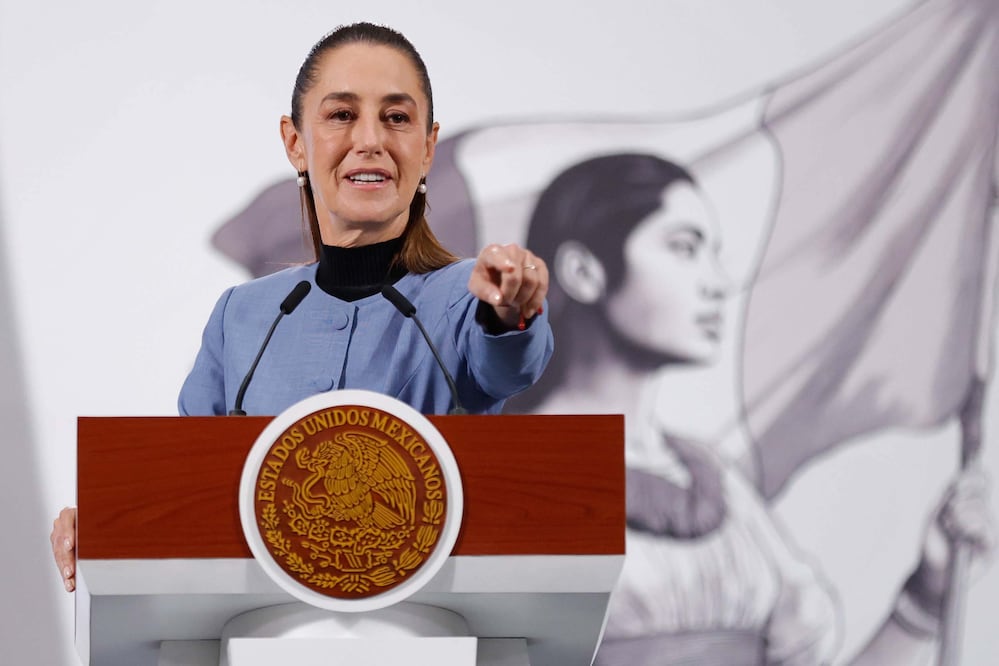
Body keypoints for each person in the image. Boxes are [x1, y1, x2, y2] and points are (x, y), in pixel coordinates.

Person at [51, 22, 553, 593]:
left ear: (428, 146)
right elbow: (189, 488)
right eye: (341, 115)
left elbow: (507, 362)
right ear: (295, 143)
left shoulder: (466, 293)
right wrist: (109, 528)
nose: (370, 139)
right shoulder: (241, 316)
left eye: (396, 117)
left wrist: (509, 310)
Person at [508, 153, 993, 665]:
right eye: (684, 248)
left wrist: (925, 597)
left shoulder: (718, 484)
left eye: (714, 254)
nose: (718, 282)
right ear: (584, 272)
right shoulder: (509, 478)